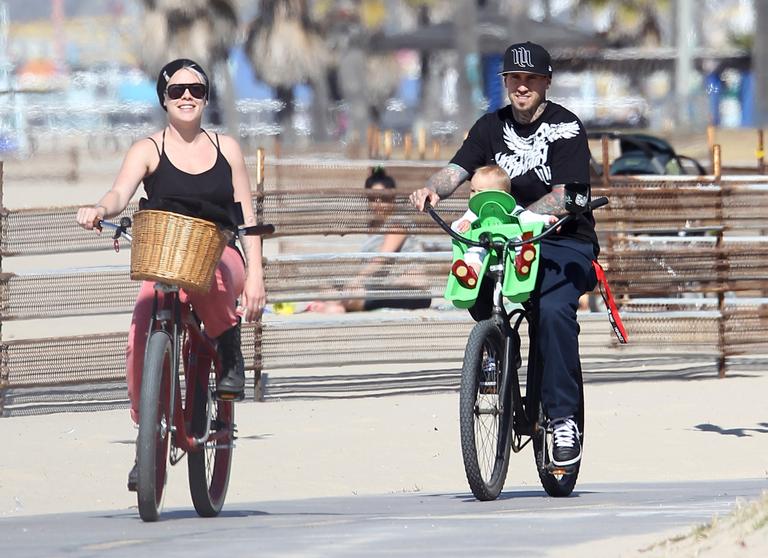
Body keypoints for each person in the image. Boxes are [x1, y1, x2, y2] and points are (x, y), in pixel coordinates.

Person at [76, 59, 266, 489]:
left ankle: (227, 348)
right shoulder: (148, 148)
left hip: (220, 253)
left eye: (196, 91)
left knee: (213, 276)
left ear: (205, 98)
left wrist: (256, 274)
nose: (187, 97)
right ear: (163, 97)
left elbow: (247, 219)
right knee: (139, 335)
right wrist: (100, 210)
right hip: (165, 259)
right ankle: (148, 441)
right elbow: (119, 193)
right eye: (177, 89)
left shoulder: (226, 148)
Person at [410, 42, 598, 468]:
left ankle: (564, 419)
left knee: (551, 313)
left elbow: (568, 195)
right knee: (471, 278)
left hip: (561, 241)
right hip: (503, 239)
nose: (522, 86)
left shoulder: (566, 127)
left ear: (546, 82)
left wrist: (520, 218)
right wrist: (432, 189)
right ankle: (494, 347)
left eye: (531, 78)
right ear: (506, 83)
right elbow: (457, 170)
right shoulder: (489, 127)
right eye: (515, 78)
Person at [306, 167, 432, 313]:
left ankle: (331, 307)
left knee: (349, 296)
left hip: (410, 290)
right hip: (380, 287)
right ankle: (332, 306)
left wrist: (356, 280)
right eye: (373, 198)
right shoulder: (373, 229)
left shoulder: (399, 222)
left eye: (383, 198)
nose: (378, 202)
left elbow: (382, 258)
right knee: (326, 286)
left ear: (392, 197)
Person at [449, 164, 554, 288]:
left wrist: (547, 220)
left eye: (481, 192)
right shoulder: (473, 213)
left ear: (501, 194)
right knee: (473, 252)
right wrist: (463, 224)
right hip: (484, 244)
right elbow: (454, 227)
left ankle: (522, 262)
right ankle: (470, 274)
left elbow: (528, 217)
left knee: (520, 243)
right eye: (472, 190)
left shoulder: (512, 209)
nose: (474, 195)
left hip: (509, 246)